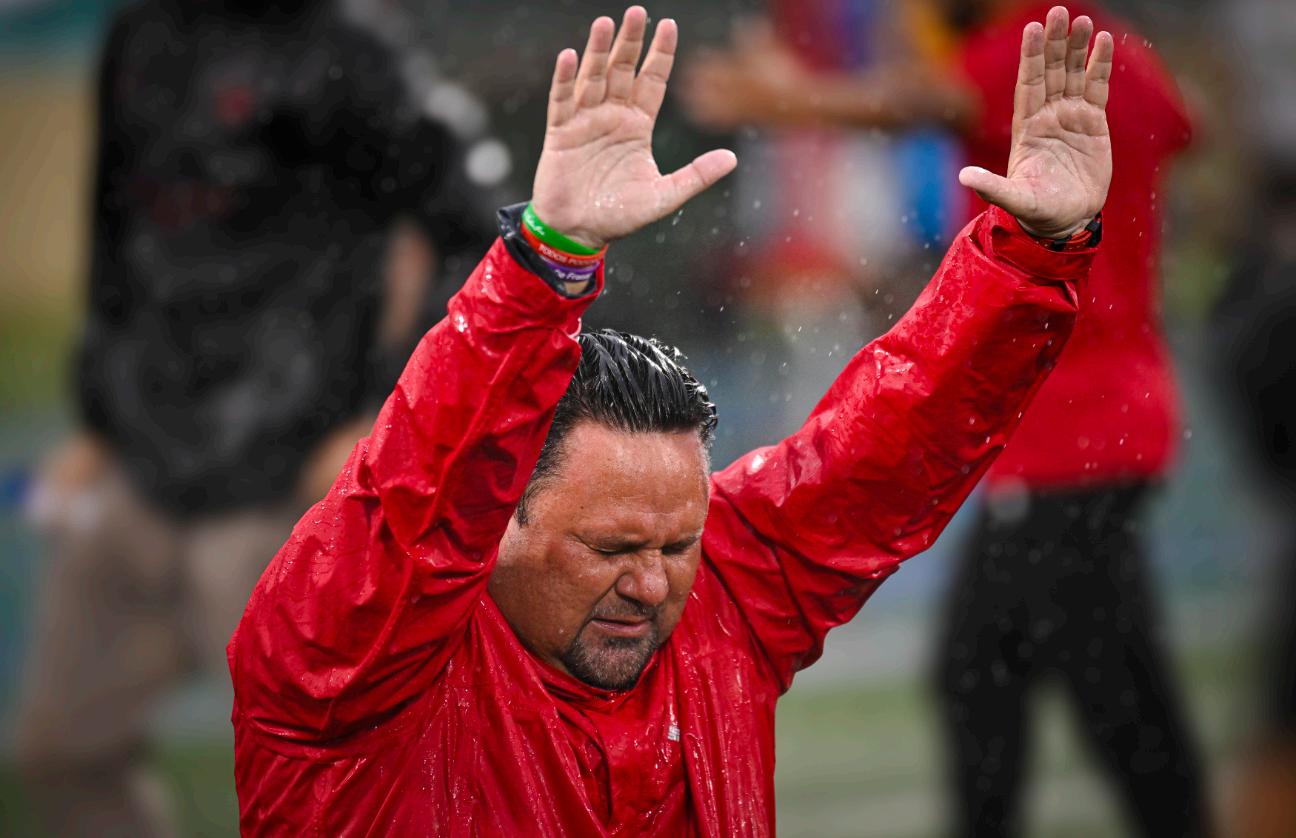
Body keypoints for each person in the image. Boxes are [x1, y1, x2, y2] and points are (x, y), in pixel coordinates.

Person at [230, 5, 1114, 834]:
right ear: (492, 520)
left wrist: (1032, 259)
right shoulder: (348, 668)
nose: (653, 585)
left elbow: (888, 443)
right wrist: (544, 260)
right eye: (611, 548)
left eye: (677, 544)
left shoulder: (725, 598)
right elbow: (417, 491)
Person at [686, 2, 1205, 835]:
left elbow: (916, 99)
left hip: (1070, 428)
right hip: (1113, 411)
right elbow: (1187, 125)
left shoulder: (1030, 46)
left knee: (1035, 682)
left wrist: (790, 99)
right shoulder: (1122, 58)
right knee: (1049, 675)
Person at [13, 1, 491, 835]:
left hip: (284, 489)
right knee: (57, 756)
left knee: (324, 781)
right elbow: (114, 226)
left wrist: (385, 408)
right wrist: (98, 415)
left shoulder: (351, 49)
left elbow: (473, 230)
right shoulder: (140, 33)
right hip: (138, 472)